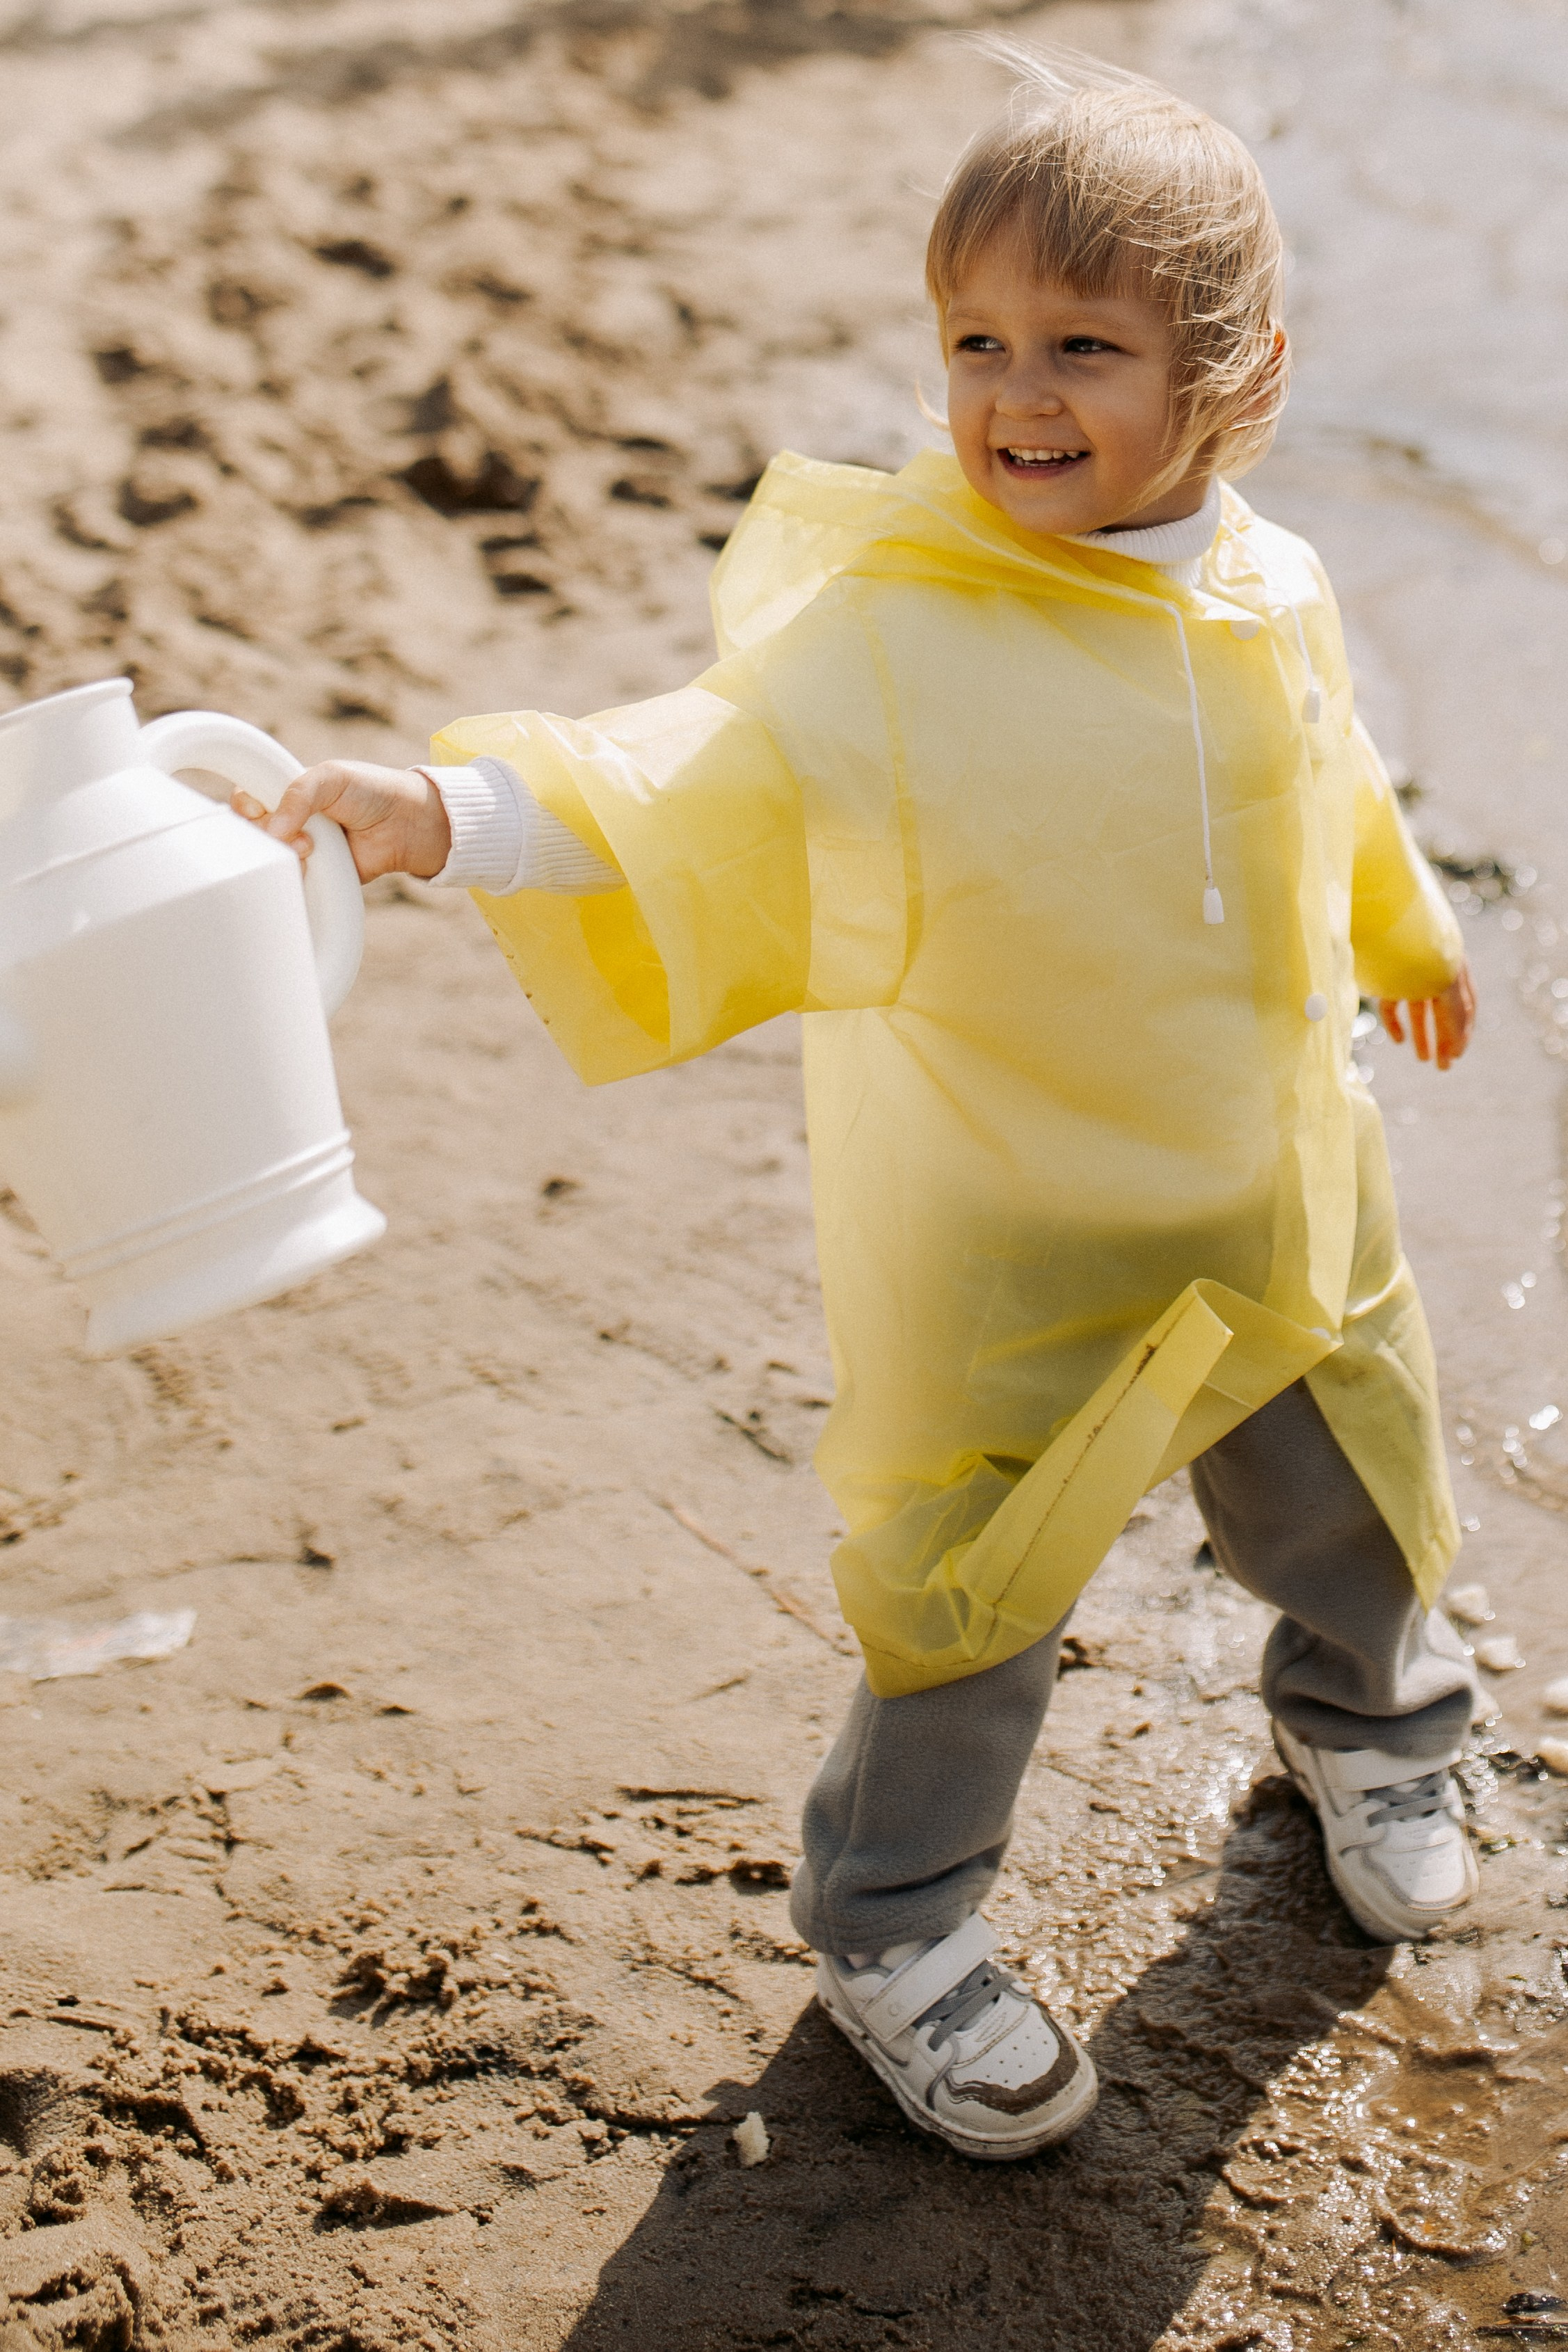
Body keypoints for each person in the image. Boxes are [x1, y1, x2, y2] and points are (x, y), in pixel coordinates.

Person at [238, 53, 1482, 2163]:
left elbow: (1324, 765)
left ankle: (1377, 1737)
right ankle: (894, 1926)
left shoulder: (1272, 577)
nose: (1016, 396)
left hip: (1274, 1184)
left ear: (1237, 372)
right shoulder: (906, 633)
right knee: (968, 1592)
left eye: (1083, 348)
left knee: (1348, 1489)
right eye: (977, 342)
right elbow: (687, 776)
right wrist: (446, 816)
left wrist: (1408, 920)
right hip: (1018, 1232)